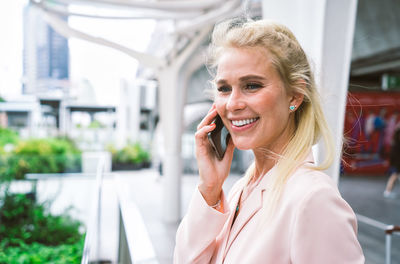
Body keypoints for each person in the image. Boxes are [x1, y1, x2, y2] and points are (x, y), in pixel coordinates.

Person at [174, 18, 365, 263]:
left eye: (251, 85)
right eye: (224, 89)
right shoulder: (239, 189)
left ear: (294, 96)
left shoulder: (313, 199)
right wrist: (209, 189)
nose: (232, 103)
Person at [384, 127, 400, 199]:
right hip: (396, 165)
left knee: (393, 178)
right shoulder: (396, 144)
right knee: (393, 178)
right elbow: (394, 156)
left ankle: (388, 191)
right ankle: (387, 192)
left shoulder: (395, 143)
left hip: (396, 164)